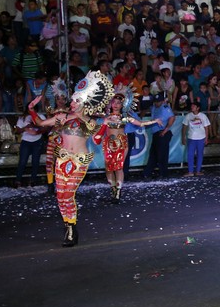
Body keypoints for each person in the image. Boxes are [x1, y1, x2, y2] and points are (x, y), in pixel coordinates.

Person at [26, 70, 115, 246]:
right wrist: (31, 109)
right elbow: (40, 123)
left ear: (84, 102)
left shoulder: (90, 122)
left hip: (79, 161)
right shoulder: (62, 117)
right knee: (60, 196)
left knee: (68, 194)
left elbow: (97, 139)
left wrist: (104, 124)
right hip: (62, 159)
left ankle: (71, 229)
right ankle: (70, 227)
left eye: (76, 101)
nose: (72, 103)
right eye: (72, 100)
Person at [103, 85, 161, 202]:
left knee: (119, 167)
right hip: (108, 144)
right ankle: (113, 189)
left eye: (118, 103)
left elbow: (140, 123)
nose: (115, 104)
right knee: (109, 168)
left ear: (122, 105)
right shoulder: (106, 117)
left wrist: (154, 121)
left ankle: (118, 192)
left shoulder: (125, 117)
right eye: (114, 102)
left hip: (121, 143)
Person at [143, 93, 175, 179]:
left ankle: (163, 174)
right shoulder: (153, 107)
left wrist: (165, 130)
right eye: (155, 101)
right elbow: (148, 110)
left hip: (162, 133)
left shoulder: (165, 108)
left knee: (162, 155)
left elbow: (172, 118)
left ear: (162, 101)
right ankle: (148, 172)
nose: (157, 103)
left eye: (158, 101)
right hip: (156, 133)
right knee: (153, 153)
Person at [14, 109, 46, 188]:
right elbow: (17, 130)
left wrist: (35, 127)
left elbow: (45, 128)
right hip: (26, 141)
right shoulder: (23, 117)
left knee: (35, 161)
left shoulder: (40, 116)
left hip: (37, 140)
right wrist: (25, 128)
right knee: (22, 161)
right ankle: (18, 180)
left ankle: (32, 180)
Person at [182, 100, 211, 176]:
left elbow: (206, 127)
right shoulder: (188, 116)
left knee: (199, 155)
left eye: (194, 106)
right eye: (192, 106)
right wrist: (183, 137)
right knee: (190, 155)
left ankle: (198, 171)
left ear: (198, 108)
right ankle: (190, 171)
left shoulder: (203, 116)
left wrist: (206, 138)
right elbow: (184, 127)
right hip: (191, 138)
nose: (192, 107)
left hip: (201, 138)